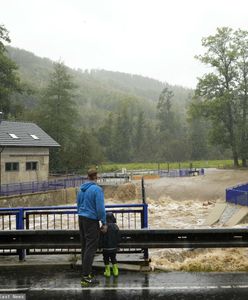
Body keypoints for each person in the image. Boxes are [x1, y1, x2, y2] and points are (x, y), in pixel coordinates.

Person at [77, 168, 107, 287]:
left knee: (84, 247)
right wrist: (104, 222)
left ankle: (86, 274)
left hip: (81, 219)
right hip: (91, 220)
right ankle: (85, 277)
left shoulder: (81, 190)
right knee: (90, 248)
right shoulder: (97, 189)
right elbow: (100, 208)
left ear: (88, 176)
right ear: (96, 176)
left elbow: (78, 205)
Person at [99, 211, 120, 277]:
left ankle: (107, 272)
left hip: (105, 248)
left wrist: (100, 246)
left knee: (106, 259)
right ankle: (115, 271)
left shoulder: (103, 227)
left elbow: (100, 238)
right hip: (113, 248)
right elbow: (118, 238)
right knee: (113, 258)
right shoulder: (115, 226)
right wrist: (117, 245)